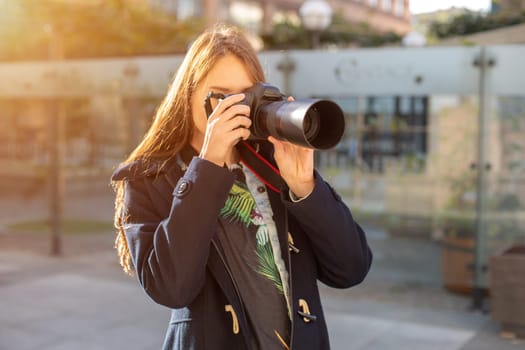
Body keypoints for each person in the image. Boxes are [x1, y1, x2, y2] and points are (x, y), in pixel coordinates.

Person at [111, 24, 372, 350]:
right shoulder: (148, 178)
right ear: (186, 96)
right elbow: (170, 288)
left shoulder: (274, 166)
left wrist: (305, 188)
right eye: (221, 97)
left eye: (245, 96)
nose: (235, 110)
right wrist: (207, 168)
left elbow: (351, 269)